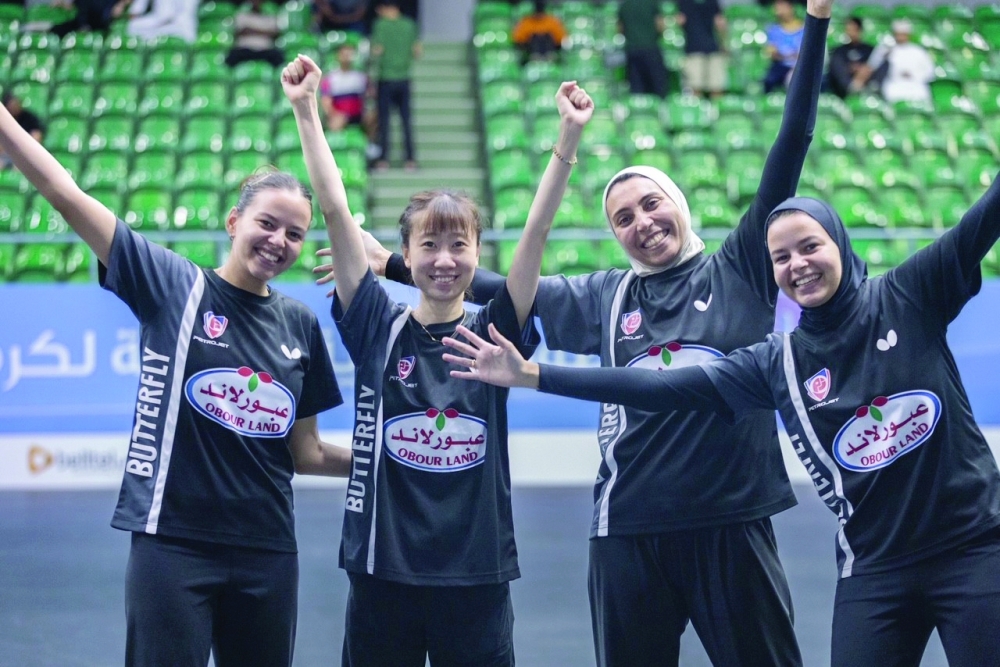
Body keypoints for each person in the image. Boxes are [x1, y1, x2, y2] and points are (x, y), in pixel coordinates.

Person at [353, 1, 832, 663]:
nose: (643, 222)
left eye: (651, 203)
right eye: (623, 217)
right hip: (627, 530)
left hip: (733, 519)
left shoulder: (742, 268)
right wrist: (396, 265)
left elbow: (792, 141)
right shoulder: (606, 296)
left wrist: (817, 20)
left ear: (679, 204)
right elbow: (506, 286)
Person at [447, 184, 1000, 667]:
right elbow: (659, 388)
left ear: (840, 242)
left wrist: (807, 66)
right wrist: (532, 374)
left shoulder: (907, 294)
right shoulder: (775, 361)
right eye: (781, 257)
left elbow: (984, 216)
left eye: (810, 246)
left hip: (974, 550)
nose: (798, 264)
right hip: (872, 567)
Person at [0, 97, 351, 667]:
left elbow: (305, 453)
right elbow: (65, 194)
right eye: (266, 223)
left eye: (294, 233)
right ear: (234, 221)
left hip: (267, 551)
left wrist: (387, 462)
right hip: (173, 545)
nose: (278, 241)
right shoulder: (171, 284)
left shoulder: (301, 324)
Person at [282, 53, 593, 665]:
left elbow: (535, 234)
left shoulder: (495, 334)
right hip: (381, 569)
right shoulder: (376, 326)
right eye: (429, 244)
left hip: (476, 573)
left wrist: (568, 137)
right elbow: (337, 210)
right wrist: (306, 109)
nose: (444, 260)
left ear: (477, 253)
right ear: (403, 252)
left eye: (459, 245)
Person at [370, 0, 420, 170]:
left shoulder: (380, 25)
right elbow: (417, 51)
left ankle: (384, 159)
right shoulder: (410, 25)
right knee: (406, 120)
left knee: (384, 121)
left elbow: (377, 50)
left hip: (386, 79)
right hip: (404, 78)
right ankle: (410, 159)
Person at [859, 19, 934, 104]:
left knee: (922, 95)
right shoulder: (885, 49)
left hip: (916, 84)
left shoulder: (918, 51)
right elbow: (871, 66)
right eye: (898, 34)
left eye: (903, 34)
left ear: (908, 35)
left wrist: (913, 75)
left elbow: (929, 71)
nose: (900, 37)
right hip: (893, 84)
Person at [618, 0, 670, 97]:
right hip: (651, 48)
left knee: (637, 88)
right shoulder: (651, 3)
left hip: (632, 50)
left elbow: (620, 29)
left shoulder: (625, 5)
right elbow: (660, 25)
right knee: (658, 86)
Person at [676, 0, 728, 98]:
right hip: (703, 49)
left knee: (705, 89)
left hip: (699, 49)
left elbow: (720, 24)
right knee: (709, 89)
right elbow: (721, 24)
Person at [320, 43, 372, 133]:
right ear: (338, 56)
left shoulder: (361, 77)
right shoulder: (330, 78)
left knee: (372, 118)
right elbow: (326, 101)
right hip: (339, 114)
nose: (347, 57)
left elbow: (370, 96)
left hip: (358, 114)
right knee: (335, 123)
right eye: (344, 54)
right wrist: (333, 114)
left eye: (349, 54)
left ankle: (371, 142)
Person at [225, 0, 285, 69]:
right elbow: (239, 32)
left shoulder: (270, 17)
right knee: (232, 57)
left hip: (265, 49)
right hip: (245, 49)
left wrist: (251, 30)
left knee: (278, 56)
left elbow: (275, 34)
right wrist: (265, 32)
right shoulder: (241, 15)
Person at [826, 16, 874, 98]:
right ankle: (852, 88)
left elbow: (872, 67)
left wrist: (861, 70)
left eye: (854, 30)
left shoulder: (869, 50)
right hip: (843, 91)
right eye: (848, 30)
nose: (851, 33)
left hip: (866, 86)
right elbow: (838, 71)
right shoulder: (840, 51)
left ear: (860, 30)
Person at [763, 0, 804, 93]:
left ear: (791, 7)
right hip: (782, 66)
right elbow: (772, 53)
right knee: (769, 80)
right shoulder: (773, 30)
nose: (778, 9)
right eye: (776, 6)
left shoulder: (804, 29)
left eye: (782, 5)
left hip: (801, 66)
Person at [0, 91, 45, 170]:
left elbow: (37, 137)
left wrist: (23, 150)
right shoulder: (3, 122)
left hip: (27, 154)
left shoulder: (29, 118)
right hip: (7, 155)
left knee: (21, 167)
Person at [48, 0, 132, 37]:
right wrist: (62, 3)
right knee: (55, 30)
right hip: (82, 21)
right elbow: (70, 7)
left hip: (103, 20)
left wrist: (121, 4)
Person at [127, 0, 197, 42]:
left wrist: (166, 21)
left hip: (181, 25)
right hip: (157, 22)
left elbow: (186, 11)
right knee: (132, 26)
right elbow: (135, 12)